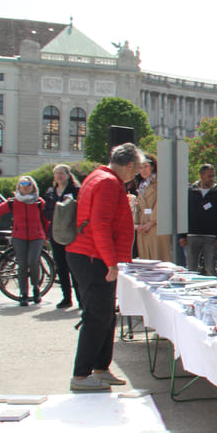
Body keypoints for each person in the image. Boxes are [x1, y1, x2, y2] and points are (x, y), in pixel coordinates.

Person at [66, 143, 141, 391]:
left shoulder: (100, 177)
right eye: (136, 170)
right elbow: (100, 225)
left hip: (89, 254)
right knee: (97, 316)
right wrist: (111, 262)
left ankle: (100, 367)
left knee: (106, 315)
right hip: (93, 256)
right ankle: (81, 375)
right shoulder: (108, 182)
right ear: (128, 165)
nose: (135, 175)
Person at [0, 175, 47, 306]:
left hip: (37, 236)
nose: (26, 187)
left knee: (33, 261)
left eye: (28, 184)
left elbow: (46, 220)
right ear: (18, 187)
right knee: (22, 265)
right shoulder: (13, 202)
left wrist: (47, 237)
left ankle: (36, 287)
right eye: (23, 184)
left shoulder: (39, 202)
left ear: (33, 187)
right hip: (19, 236)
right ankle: (24, 294)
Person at [42, 164, 81, 308]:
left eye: (61, 173)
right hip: (56, 232)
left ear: (68, 175)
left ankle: (81, 299)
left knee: (74, 267)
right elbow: (46, 212)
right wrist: (58, 212)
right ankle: (66, 297)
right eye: (56, 173)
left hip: (71, 232)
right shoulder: (51, 192)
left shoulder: (75, 190)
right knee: (61, 266)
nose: (59, 176)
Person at [180, 164, 217, 276]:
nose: (212, 179)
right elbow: (183, 212)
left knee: (210, 268)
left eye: (213, 176)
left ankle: (212, 286)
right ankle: (191, 286)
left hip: (211, 236)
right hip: (192, 235)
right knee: (191, 268)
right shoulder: (190, 191)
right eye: (209, 176)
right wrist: (182, 235)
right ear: (201, 175)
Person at [133, 156, 171, 262]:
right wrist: (137, 225)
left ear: (152, 167)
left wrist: (151, 222)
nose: (143, 170)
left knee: (159, 258)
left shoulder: (160, 183)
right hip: (142, 227)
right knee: (145, 260)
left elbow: (162, 203)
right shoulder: (140, 185)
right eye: (140, 167)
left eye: (146, 166)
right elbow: (138, 207)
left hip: (156, 225)